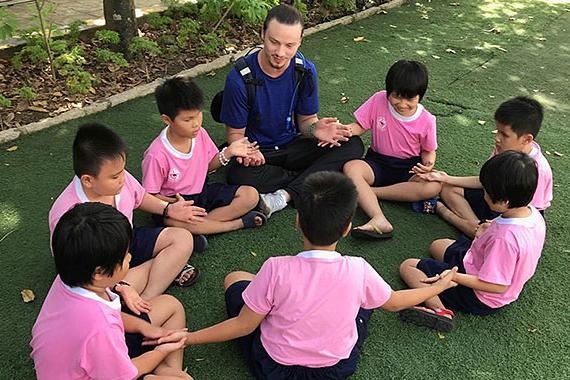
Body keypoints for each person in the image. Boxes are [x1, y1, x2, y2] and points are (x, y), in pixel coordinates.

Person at [147, 172, 458, 379]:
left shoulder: (275, 268)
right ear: (347, 227)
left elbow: (243, 326)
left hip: (276, 370)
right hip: (335, 369)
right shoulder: (358, 269)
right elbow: (393, 301)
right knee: (366, 304)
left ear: (297, 223)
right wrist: (441, 283)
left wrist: (189, 337)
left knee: (235, 280)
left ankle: (273, 303)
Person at [219, 3, 364, 217]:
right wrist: (248, 151)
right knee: (238, 174)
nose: (280, 52)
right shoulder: (239, 78)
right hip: (260, 153)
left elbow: (307, 120)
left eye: (289, 45)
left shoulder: (304, 70)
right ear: (262, 34)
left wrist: (316, 129)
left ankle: (286, 194)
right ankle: (315, 177)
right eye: (274, 42)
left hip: (294, 146)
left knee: (352, 144)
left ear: (300, 42)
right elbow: (235, 136)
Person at [32, 202, 192, 379]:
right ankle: (167, 371)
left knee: (171, 305)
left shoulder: (69, 278)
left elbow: (111, 316)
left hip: (77, 360)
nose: (130, 257)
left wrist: (143, 327)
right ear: (99, 273)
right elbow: (125, 374)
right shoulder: (100, 326)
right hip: (105, 370)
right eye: (124, 257)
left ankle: (166, 371)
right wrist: (161, 352)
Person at [48, 123, 203, 305]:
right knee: (101, 297)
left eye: (122, 171)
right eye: (115, 176)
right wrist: (118, 285)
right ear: (88, 180)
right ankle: (159, 271)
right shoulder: (66, 214)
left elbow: (140, 196)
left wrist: (168, 209)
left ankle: (147, 298)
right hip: (103, 268)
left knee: (183, 238)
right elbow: (77, 274)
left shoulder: (120, 178)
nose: (123, 179)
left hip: (128, 241)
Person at [399, 151, 546, 332]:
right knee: (437, 245)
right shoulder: (532, 213)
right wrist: (489, 226)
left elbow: (497, 285)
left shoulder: (505, 239)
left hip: (481, 294)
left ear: (504, 201)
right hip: (477, 259)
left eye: (486, 192)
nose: (483, 194)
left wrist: (453, 276)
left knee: (408, 266)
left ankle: (440, 310)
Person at [142, 76, 267, 244]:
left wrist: (229, 152)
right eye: (188, 119)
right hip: (175, 203)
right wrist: (173, 205)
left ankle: (199, 229)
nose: (196, 124)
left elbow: (208, 166)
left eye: (198, 115)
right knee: (174, 222)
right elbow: (149, 196)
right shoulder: (156, 154)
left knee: (250, 195)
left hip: (202, 191)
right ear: (167, 119)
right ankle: (236, 224)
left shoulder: (200, 134)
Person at [414, 96, 553, 238]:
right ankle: (478, 228)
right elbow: (485, 180)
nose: (497, 138)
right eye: (497, 131)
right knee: (448, 188)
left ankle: (450, 216)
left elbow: (527, 213)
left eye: (504, 134)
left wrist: (498, 222)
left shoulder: (538, 169)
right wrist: (446, 178)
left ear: (527, 139)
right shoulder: (502, 150)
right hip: (494, 199)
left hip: (513, 215)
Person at [342, 59, 440, 239]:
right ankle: (378, 217)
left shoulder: (427, 120)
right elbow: (360, 126)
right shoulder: (379, 99)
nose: (402, 103)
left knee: (434, 185)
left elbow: (429, 150)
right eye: (396, 96)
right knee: (351, 167)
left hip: (409, 168)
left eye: (409, 98)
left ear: (420, 96)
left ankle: (367, 193)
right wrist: (345, 130)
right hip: (377, 162)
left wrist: (428, 163)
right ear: (388, 91)